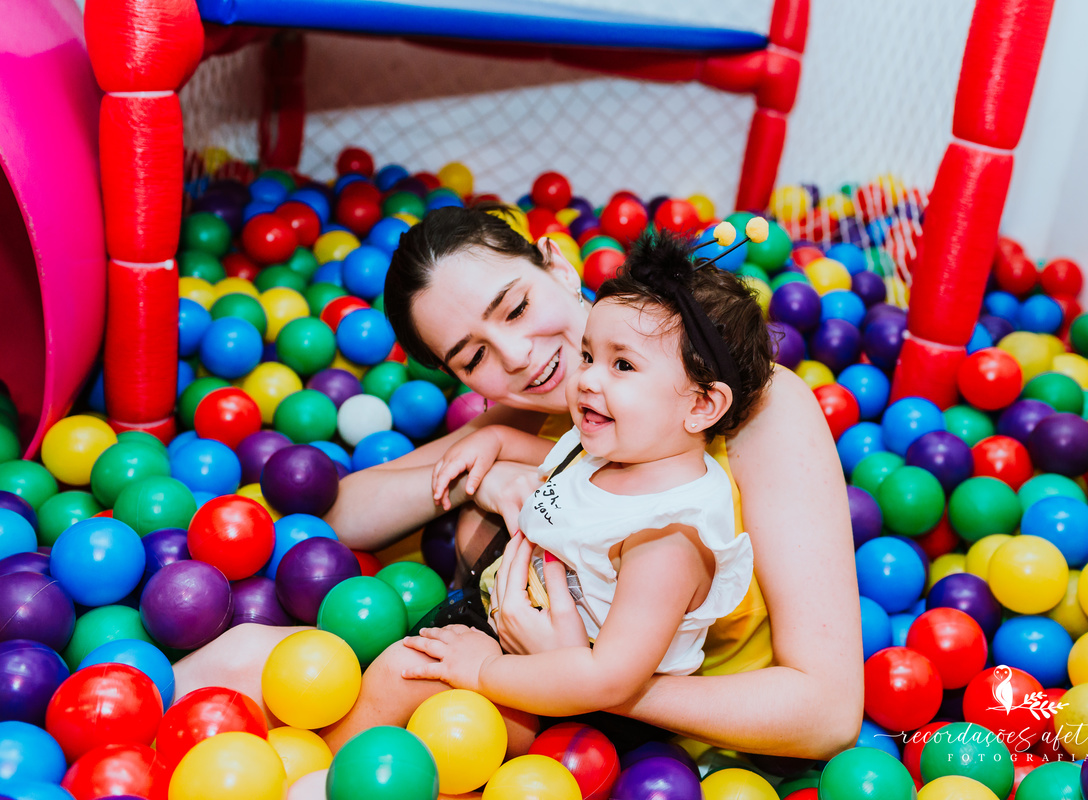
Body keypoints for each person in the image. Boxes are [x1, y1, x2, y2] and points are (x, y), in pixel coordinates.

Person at [173, 204, 863, 761]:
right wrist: (490, 478)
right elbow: (345, 511)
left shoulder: (757, 408)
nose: (519, 357)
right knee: (237, 657)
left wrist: (582, 679)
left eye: (514, 308)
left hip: (661, 749)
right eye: (473, 356)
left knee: (394, 705)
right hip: (519, 679)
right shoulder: (552, 413)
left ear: (560, 267)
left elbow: (827, 711)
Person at [396, 229, 771, 721]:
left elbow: (606, 678)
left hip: (580, 704)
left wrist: (483, 670)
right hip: (508, 628)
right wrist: (495, 440)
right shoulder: (618, 445)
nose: (587, 378)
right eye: (590, 356)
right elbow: (558, 458)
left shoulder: (669, 533)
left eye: (622, 365)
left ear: (702, 404)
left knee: (401, 678)